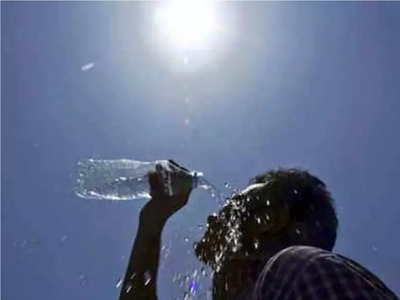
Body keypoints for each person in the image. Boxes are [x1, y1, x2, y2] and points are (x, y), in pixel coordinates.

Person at [118, 160, 399, 300]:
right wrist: (152, 222)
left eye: (235, 205)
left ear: (272, 220)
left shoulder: (297, 268)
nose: (214, 217)